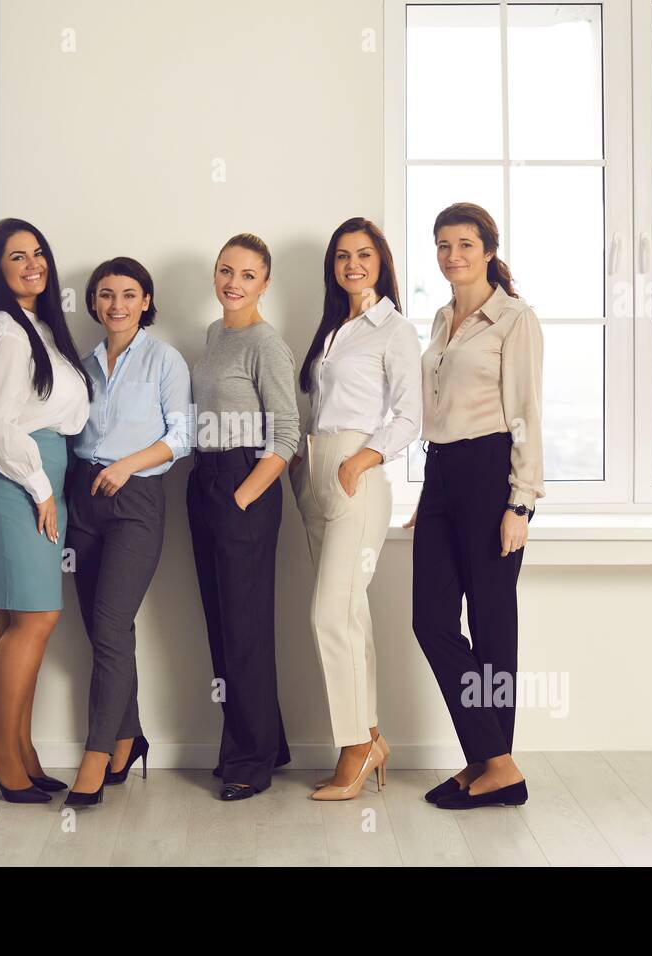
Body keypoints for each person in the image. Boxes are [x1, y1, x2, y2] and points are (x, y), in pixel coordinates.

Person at [406, 202, 544, 810]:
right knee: (432, 621)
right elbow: (437, 414)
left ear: (489, 250)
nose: (452, 255)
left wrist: (521, 503)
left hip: (492, 475)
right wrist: (430, 494)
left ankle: (490, 764)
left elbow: (526, 414)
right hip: (441, 474)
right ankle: (495, 760)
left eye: (465, 244)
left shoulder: (514, 319)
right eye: (443, 244)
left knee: (492, 628)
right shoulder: (442, 319)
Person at [288, 217, 421, 801]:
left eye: (364, 254)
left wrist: (360, 461)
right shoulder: (332, 330)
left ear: (381, 262)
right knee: (350, 615)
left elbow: (411, 417)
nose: (353, 265)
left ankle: (354, 748)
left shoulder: (394, 330)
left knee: (328, 616)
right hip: (314, 476)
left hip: (355, 478)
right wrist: (304, 464)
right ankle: (370, 736)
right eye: (342, 256)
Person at [0, 218, 91, 804]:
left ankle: (17, 747)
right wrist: (40, 488)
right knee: (35, 618)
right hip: (14, 477)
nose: (32, 264)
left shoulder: (38, 328)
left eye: (38, 253)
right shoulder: (3, 333)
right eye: (17, 256)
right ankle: (3, 752)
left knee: (19, 619)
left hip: (40, 473)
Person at [61, 257, 191, 809]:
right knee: (102, 629)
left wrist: (126, 466)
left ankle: (94, 756)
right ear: (94, 302)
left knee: (111, 624)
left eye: (129, 294)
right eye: (107, 295)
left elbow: (181, 435)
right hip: (82, 498)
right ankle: (127, 736)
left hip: (135, 499)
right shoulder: (81, 365)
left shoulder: (165, 359)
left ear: (146, 301)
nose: (117, 305)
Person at [187, 233, 299, 801]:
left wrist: (239, 499)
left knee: (246, 627)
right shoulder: (214, 334)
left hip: (243, 483)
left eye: (248, 275)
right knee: (223, 622)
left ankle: (250, 761)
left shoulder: (266, 345)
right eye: (225, 270)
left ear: (265, 283)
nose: (234, 283)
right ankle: (263, 743)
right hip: (205, 476)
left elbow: (286, 436)